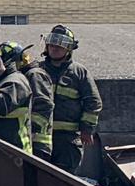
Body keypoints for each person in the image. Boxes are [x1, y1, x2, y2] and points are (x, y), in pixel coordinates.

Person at [40, 25, 102, 175]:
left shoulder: (78, 72)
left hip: (67, 139)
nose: (55, 48)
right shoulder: (37, 70)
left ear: (69, 49)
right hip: (40, 136)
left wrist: (87, 129)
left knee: (65, 179)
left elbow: (93, 102)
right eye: (52, 44)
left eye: (60, 45)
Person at [0, 41, 54, 160]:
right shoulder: (22, 75)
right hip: (29, 142)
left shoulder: (34, 74)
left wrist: (33, 133)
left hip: (38, 142)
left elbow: (43, 106)